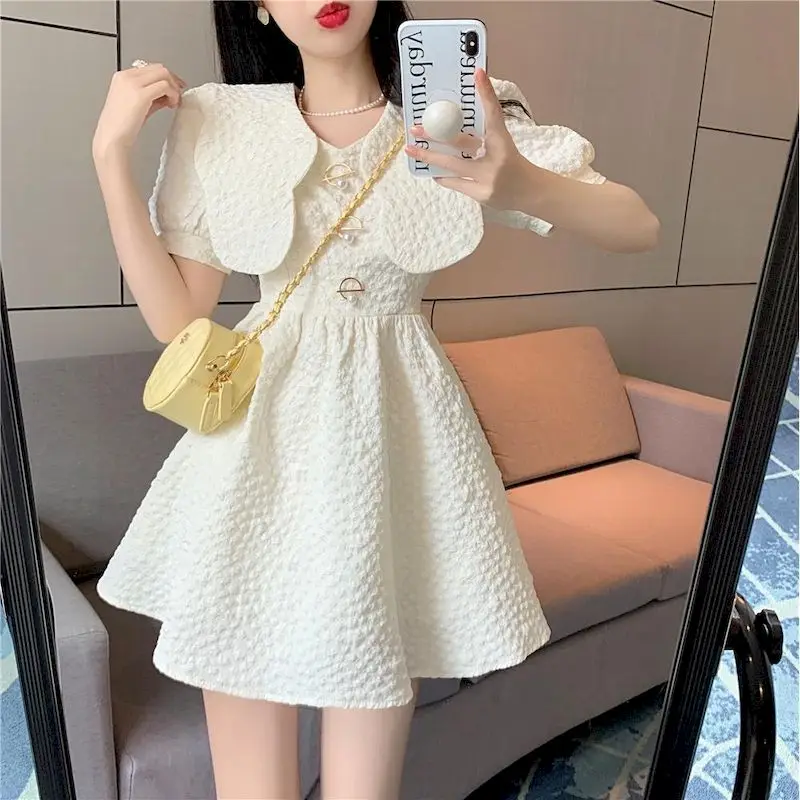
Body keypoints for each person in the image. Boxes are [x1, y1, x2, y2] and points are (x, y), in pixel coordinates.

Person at [91, 2, 659, 798]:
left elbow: (637, 225)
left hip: (390, 449)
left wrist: (519, 181)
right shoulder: (224, 121)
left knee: (367, 770)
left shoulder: (452, 108)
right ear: (257, 5)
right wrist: (110, 157)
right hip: (255, 455)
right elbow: (178, 321)